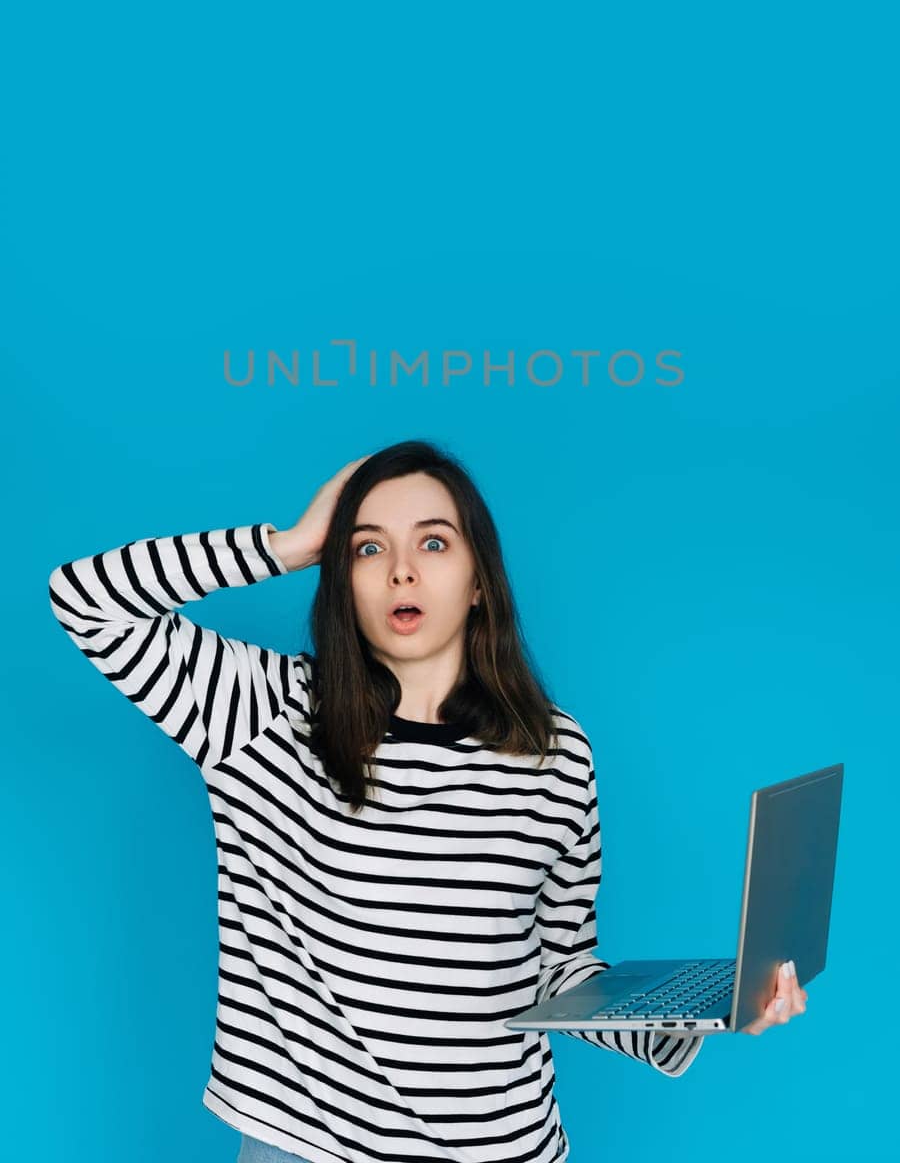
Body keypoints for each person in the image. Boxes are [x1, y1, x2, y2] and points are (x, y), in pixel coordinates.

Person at [47, 439, 806, 1163]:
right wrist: (292, 542)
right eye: (369, 548)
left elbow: (562, 974)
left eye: (434, 543)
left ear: (480, 581)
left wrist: (713, 1011)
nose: (402, 572)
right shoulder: (261, 711)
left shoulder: (554, 751)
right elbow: (84, 599)